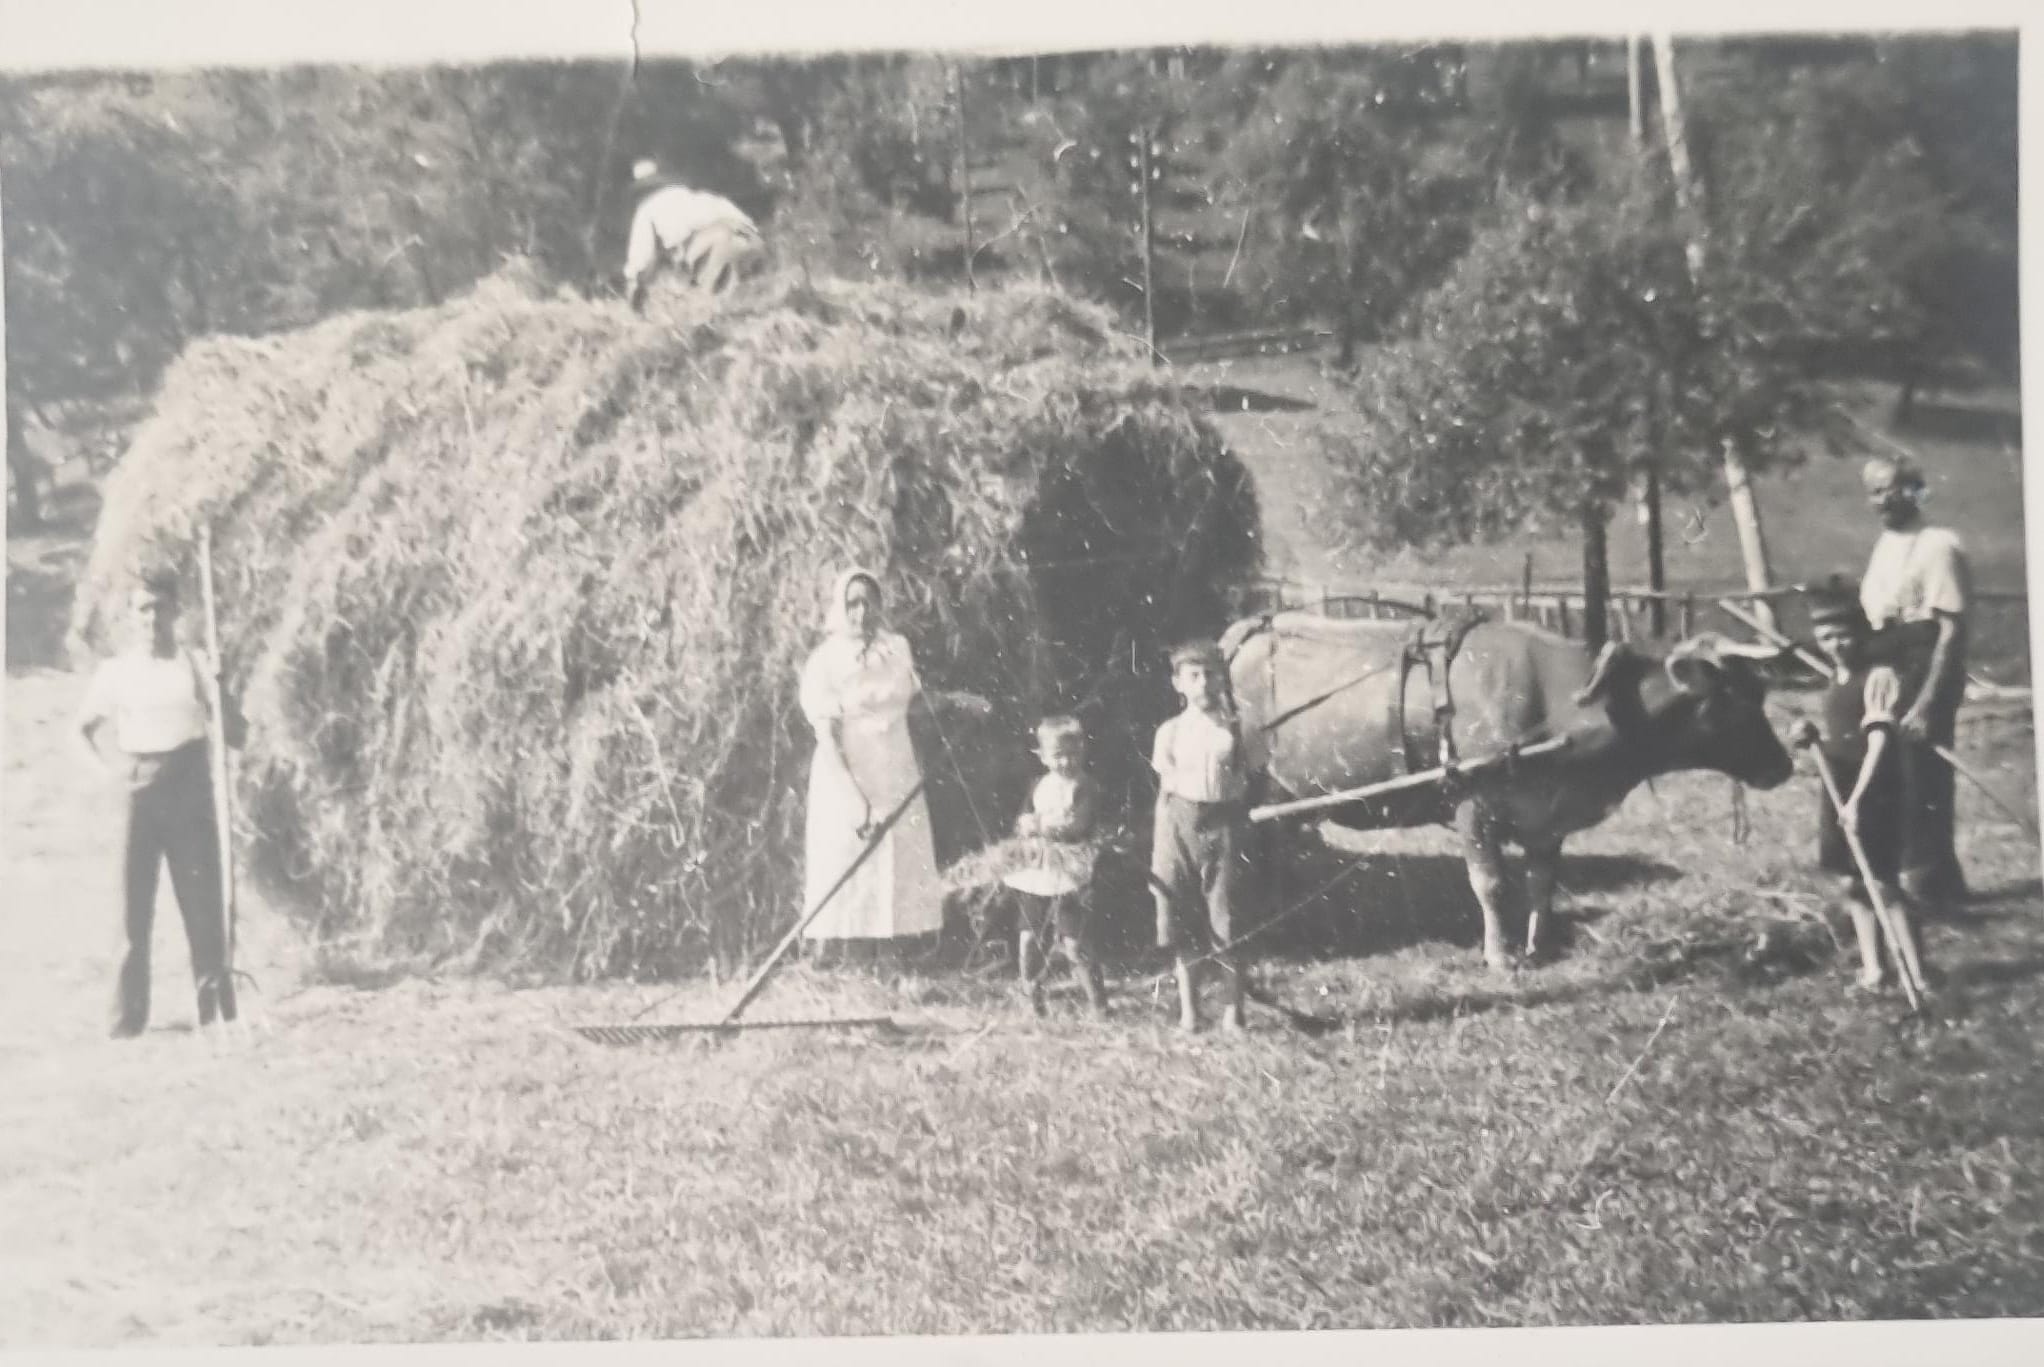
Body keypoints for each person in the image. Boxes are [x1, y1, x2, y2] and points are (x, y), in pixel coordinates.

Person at [76, 568, 238, 1037]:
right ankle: (127, 1021)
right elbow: (81, 730)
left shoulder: (195, 663)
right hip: (137, 789)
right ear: (130, 617)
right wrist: (107, 772)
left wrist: (221, 690)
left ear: (177, 612)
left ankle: (216, 1010)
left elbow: (235, 732)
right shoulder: (116, 672)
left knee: (202, 903)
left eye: (161, 608)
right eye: (143, 609)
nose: (153, 618)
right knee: (133, 907)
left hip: (189, 787)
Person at [1790, 584, 1931, 995]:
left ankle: (1918, 976)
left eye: (1844, 635)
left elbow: (1879, 741)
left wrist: (1857, 800)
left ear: (1862, 633)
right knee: (1852, 884)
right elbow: (1842, 731)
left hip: (1873, 788)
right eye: (1826, 636)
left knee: (1882, 883)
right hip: (1838, 785)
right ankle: (1875, 970)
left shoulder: (1879, 676)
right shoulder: (1838, 676)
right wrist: (1809, 734)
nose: (1836, 644)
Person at [797, 568, 943, 963]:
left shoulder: (897, 647)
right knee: (848, 854)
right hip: (848, 764)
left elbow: (910, 700)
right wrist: (851, 795)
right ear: (840, 607)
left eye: (869, 601)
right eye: (853, 603)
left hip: (895, 761)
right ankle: (843, 958)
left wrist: (957, 701)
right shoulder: (825, 660)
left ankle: (892, 957)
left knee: (898, 854)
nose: (862, 612)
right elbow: (825, 733)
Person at [1858, 454, 1971, 905]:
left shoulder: (1938, 545)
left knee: (1922, 776)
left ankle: (1932, 885)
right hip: (1887, 663)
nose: (1884, 499)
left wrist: (1927, 702)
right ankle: (1905, 877)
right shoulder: (1885, 545)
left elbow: (1952, 631)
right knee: (1887, 774)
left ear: (1916, 489)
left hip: (1926, 665)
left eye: (1892, 488)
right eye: (1874, 491)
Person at [1150, 638, 1266, 1033]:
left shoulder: (1237, 730)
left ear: (1222, 680)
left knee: (1227, 919)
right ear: (1178, 684)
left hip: (1225, 825)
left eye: (1210, 674)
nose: (1202, 683)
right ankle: (1190, 1013)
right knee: (1180, 919)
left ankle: (1234, 1013)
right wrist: (1166, 844)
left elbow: (1254, 779)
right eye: (1193, 676)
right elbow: (1166, 789)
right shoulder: (1169, 732)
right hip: (1178, 824)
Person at [1011, 716, 1109, 1018]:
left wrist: (1040, 825)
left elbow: (1075, 824)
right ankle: (1032, 998)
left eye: (1073, 754)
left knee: (1075, 944)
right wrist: (1026, 823)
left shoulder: (1085, 787)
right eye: (1058, 756)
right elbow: (1023, 819)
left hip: (1069, 871)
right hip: (1038, 871)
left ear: (1083, 751)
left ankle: (1098, 1005)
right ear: (1042, 756)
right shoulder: (1039, 784)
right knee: (1029, 940)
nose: (1066, 762)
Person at [621, 159, 766, 312]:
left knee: (702, 298)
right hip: (749, 240)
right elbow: (745, 223)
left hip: (716, 242)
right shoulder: (698, 196)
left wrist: (634, 287)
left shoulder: (646, 210)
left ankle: (703, 302)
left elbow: (642, 256)